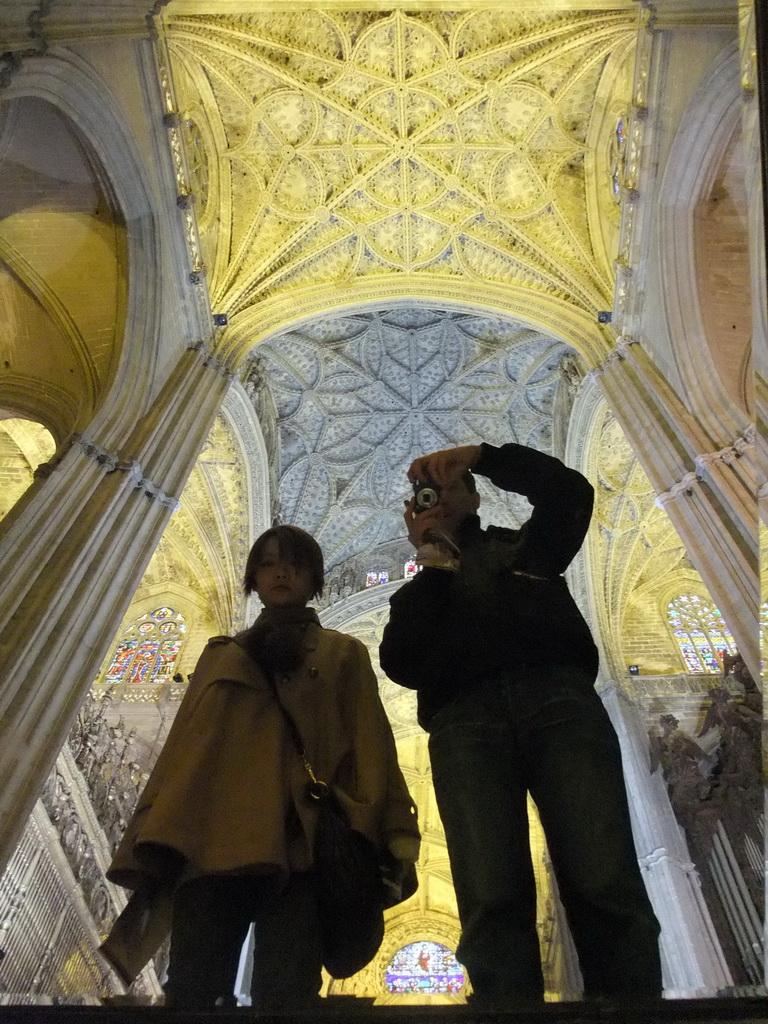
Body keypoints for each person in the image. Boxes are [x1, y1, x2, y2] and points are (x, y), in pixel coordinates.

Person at [379, 443, 662, 1007]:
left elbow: (569, 495)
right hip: (465, 724)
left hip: (558, 700)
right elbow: (401, 664)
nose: (441, 497)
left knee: (603, 877)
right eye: (427, 497)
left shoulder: (525, 549)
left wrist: (481, 454)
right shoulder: (418, 591)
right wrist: (432, 559)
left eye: (452, 485)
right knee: (490, 894)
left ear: (475, 494)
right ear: (414, 513)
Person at [101, 525, 420, 1010]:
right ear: (254, 577)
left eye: (295, 563)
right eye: (269, 563)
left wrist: (395, 828)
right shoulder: (219, 656)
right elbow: (182, 752)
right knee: (191, 986)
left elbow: (371, 743)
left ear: (315, 578)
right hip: (212, 840)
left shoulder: (342, 653)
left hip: (301, 844)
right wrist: (152, 828)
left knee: (286, 991)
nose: (281, 572)